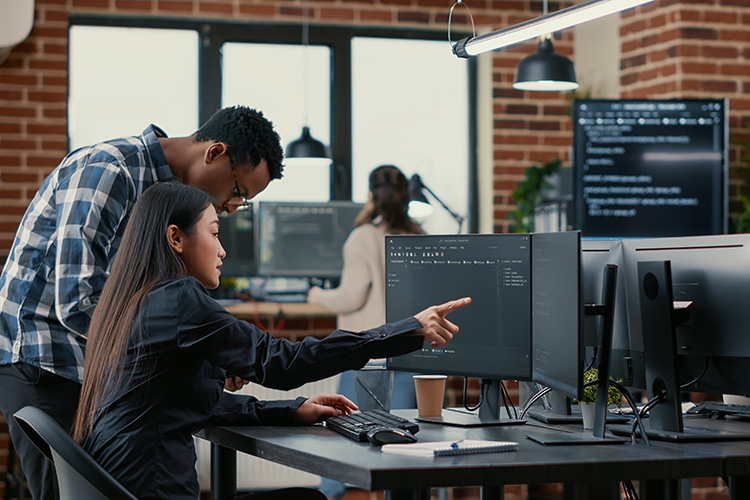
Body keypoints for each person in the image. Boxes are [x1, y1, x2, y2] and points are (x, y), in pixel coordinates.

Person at [71, 182, 470, 500]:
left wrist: (292, 410)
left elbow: (188, 402)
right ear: (176, 238)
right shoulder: (179, 299)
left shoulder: (128, 301)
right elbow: (281, 361)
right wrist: (405, 329)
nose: (223, 249)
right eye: (214, 233)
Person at [0, 105, 284, 500]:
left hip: (92, 364)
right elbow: (76, 299)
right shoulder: (111, 169)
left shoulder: (169, 204)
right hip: (45, 359)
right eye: (238, 192)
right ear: (215, 153)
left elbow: (153, 308)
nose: (230, 207)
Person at [307, 165, 423, 499]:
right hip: (411, 350)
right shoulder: (418, 236)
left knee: (340, 432)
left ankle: (329, 495)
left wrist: (317, 296)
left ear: (372, 196)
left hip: (368, 353)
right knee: (403, 441)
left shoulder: (363, 237)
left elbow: (352, 295)